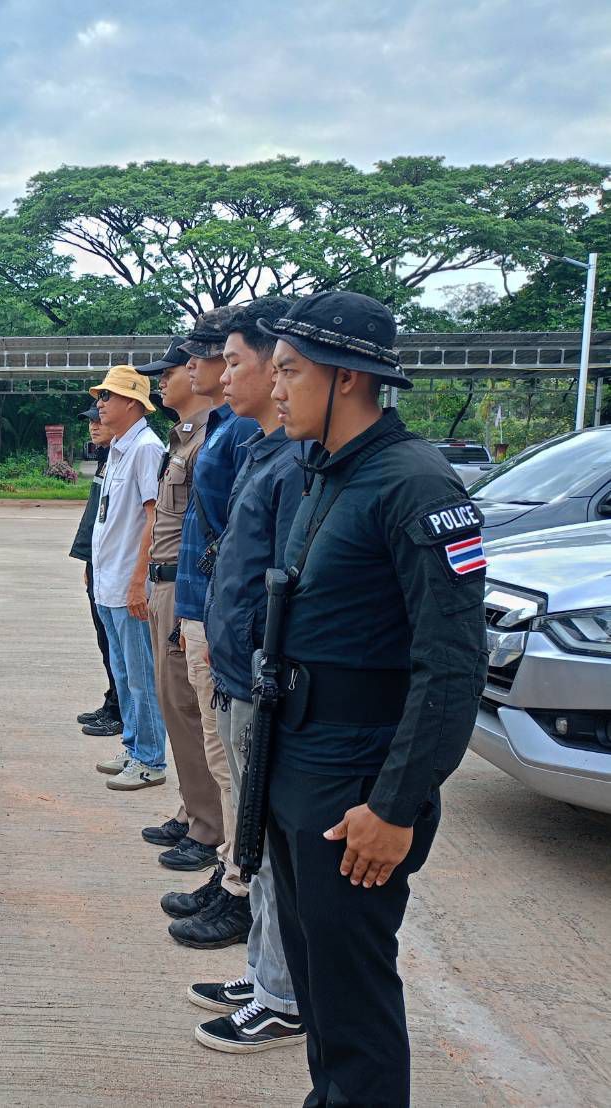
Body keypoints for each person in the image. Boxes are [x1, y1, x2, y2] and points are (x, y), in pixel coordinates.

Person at [262, 291, 487, 1104]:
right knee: (318, 981)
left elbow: (451, 663)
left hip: (356, 778)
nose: (274, 387)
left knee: (352, 995)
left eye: (288, 371)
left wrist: (395, 806)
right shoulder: (325, 471)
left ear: (347, 377)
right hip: (298, 757)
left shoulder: (415, 484)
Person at [184, 297, 308, 1052]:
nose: (223, 376)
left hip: (260, 680)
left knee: (269, 844)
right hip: (236, 671)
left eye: (235, 362)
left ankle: (283, 996)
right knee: (256, 844)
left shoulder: (293, 460)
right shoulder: (263, 449)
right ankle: (265, 974)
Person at [161, 305, 259, 946]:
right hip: (203, 611)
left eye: (218, 357)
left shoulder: (244, 435)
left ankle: (240, 887)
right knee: (223, 757)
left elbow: (232, 538)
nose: (204, 369)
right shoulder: (225, 429)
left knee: (234, 765)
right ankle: (230, 874)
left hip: (218, 619)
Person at [134, 338, 220, 862]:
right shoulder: (184, 438)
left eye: (172, 371)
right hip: (164, 583)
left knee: (188, 709)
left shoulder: (213, 440)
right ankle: (193, 809)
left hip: (182, 587)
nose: (163, 380)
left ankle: (208, 826)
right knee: (174, 704)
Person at [87, 364, 168, 791]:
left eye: (108, 396)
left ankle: (151, 759)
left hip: (128, 583)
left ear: (134, 403)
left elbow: (154, 520)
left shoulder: (146, 449)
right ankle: (135, 746)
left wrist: (140, 580)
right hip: (109, 582)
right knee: (123, 674)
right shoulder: (119, 447)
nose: (100, 404)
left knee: (140, 676)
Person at [70, 403, 125, 746]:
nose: (94, 425)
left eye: (99, 419)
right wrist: (89, 560)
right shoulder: (107, 459)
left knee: (118, 645)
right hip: (99, 562)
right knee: (106, 642)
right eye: (91, 421)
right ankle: (113, 700)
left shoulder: (135, 455)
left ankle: (120, 710)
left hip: (116, 566)